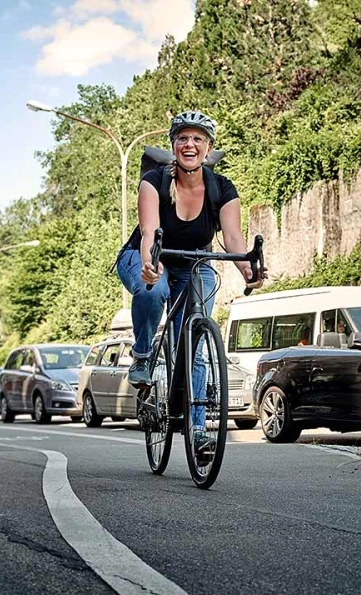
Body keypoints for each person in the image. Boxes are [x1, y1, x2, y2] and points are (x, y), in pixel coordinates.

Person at [115, 110, 265, 442]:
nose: (190, 144)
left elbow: (235, 239)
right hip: (145, 256)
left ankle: (197, 429)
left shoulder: (222, 188)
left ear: (208, 149)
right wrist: (149, 265)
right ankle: (141, 356)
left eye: (198, 138)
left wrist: (248, 270)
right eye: (183, 138)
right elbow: (149, 233)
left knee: (195, 342)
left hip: (193, 263)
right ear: (173, 146)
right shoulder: (154, 181)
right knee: (154, 290)